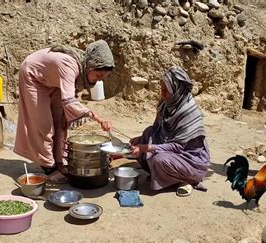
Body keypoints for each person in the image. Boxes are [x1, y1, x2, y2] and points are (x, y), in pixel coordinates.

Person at [14, 40, 114, 181]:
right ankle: (49, 166)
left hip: (52, 80)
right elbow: (68, 100)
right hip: (33, 76)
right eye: (98, 76)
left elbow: (69, 97)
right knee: (44, 125)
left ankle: (59, 161)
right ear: (91, 65)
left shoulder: (83, 68)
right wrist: (97, 117)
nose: (98, 81)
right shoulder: (69, 65)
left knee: (61, 120)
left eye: (103, 78)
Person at [130, 66, 210, 196]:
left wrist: (144, 147)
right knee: (148, 133)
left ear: (177, 90)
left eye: (166, 90)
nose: (162, 94)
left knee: (159, 160)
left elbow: (178, 146)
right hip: (172, 150)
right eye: (161, 89)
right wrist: (140, 140)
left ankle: (186, 179)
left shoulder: (189, 112)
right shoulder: (166, 105)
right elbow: (157, 129)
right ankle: (165, 176)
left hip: (189, 159)